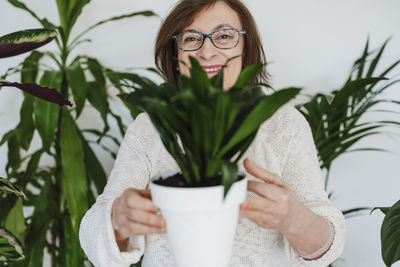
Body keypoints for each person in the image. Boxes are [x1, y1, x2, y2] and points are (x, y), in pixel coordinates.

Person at [79, 0, 345, 266]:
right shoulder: (150, 127)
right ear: (175, 52)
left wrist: (295, 219)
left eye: (224, 36)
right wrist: (118, 219)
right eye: (191, 38)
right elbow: (94, 234)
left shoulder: (283, 124)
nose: (207, 52)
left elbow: (328, 245)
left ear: (246, 47)